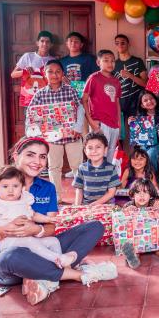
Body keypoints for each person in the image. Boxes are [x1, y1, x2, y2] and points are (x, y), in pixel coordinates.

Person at [0, 137, 116, 306]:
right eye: (31, 155)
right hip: (9, 262)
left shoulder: (48, 188)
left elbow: (50, 229)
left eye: (42, 156)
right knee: (13, 256)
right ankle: (74, 274)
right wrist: (5, 230)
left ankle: (45, 277)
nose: (37, 161)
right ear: (17, 156)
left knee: (95, 227)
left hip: (43, 248)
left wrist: (35, 230)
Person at [0, 165, 76, 269]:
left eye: (15, 186)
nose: (10, 190)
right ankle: (58, 258)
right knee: (30, 242)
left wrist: (48, 219)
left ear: (22, 188)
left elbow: (33, 215)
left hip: (29, 238)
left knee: (53, 241)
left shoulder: (24, 201)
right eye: (5, 186)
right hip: (11, 243)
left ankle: (58, 265)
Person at [26, 59, 83, 199]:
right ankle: (57, 197)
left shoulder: (70, 90)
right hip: (51, 138)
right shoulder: (40, 94)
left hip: (72, 135)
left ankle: (81, 196)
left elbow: (80, 109)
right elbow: (31, 114)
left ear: (63, 73)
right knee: (54, 167)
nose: (54, 75)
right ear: (45, 74)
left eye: (58, 71)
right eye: (50, 71)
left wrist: (78, 127)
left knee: (77, 166)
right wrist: (37, 132)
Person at [120, 178, 159, 268]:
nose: (142, 196)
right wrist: (125, 212)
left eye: (145, 192)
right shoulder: (129, 205)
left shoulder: (153, 203)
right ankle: (133, 259)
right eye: (138, 192)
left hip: (154, 238)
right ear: (132, 195)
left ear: (151, 195)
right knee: (134, 249)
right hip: (137, 240)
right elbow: (120, 223)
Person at [82, 49, 122, 163]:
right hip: (100, 122)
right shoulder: (94, 78)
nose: (110, 63)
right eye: (106, 60)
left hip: (114, 124)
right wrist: (91, 121)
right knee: (98, 153)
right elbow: (84, 100)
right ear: (98, 62)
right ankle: (96, 178)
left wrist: (119, 124)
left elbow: (117, 103)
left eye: (113, 61)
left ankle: (107, 178)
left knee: (110, 152)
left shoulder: (116, 81)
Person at [73, 132, 121, 205]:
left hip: (106, 206)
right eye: (90, 148)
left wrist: (95, 204)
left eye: (98, 147)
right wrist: (77, 206)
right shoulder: (82, 168)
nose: (94, 151)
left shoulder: (111, 168)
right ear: (85, 151)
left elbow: (111, 192)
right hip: (87, 206)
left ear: (105, 150)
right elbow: (79, 189)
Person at [114, 34, 148, 121]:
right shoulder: (114, 64)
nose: (120, 45)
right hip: (120, 102)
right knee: (123, 130)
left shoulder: (137, 61)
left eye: (123, 43)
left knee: (136, 127)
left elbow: (145, 83)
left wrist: (130, 75)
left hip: (137, 101)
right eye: (117, 43)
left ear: (128, 45)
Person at [130, 90, 159, 173]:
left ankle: (152, 176)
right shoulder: (140, 118)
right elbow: (136, 133)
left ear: (155, 100)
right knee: (143, 153)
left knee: (152, 153)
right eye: (145, 100)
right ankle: (145, 176)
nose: (149, 101)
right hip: (145, 144)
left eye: (151, 98)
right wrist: (131, 123)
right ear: (142, 105)